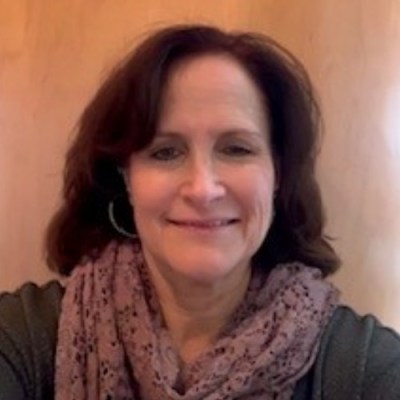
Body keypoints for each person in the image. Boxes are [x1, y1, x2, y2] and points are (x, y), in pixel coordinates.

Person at [0, 24, 399, 400]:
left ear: (277, 173)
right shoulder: (23, 338)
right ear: (126, 178)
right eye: (165, 152)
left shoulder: (366, 368)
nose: (203, 189)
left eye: (236, 149)